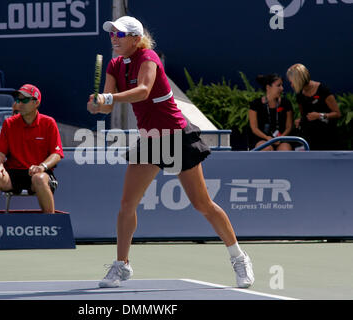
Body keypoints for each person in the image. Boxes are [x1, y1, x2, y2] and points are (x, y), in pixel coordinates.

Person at [87, 16, 254, 288]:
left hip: (178, 137)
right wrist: (98, 105)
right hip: (151, 139)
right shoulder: (115, 64)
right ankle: (122, 265)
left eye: (119, 34)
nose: (113, 38)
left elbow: (142, 91)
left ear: (135, 38)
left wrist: (109, 99)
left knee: (202, 204)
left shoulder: (148, 57)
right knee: (126, 205)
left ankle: (239, 257)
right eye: (111, 34)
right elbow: (107, 106)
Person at [0, 84, 63, 213]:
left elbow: (56, 154)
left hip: (38, 172)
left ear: (36, 103)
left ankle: (50, 224)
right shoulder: (9, 123)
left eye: (24, 100)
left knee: (39, 178)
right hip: (13, 173)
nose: (20, 103)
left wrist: (42, 167)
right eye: (18, 99)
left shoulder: (49, 123)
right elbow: (0, 153)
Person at [286, 63, 341, 150]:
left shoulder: (322, 90)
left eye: (291, 82)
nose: (291, 85)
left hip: (327, 136)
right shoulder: (299, 95)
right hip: (310, 138)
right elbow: (304, 115)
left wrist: (320, 116)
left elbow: (337, 114)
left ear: (298, 80)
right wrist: (300, 120)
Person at [249, 74, 293, 151]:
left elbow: (289, 126)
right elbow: (254, 128)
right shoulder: (255, 104)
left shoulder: (286, 103)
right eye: (278, 85)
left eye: (282, 85)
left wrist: (280, 138)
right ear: (268, 87)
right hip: (262, 139)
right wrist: (267, 138)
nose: (282, 88)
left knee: (285, 149)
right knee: (266, 148)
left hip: (282, 139)